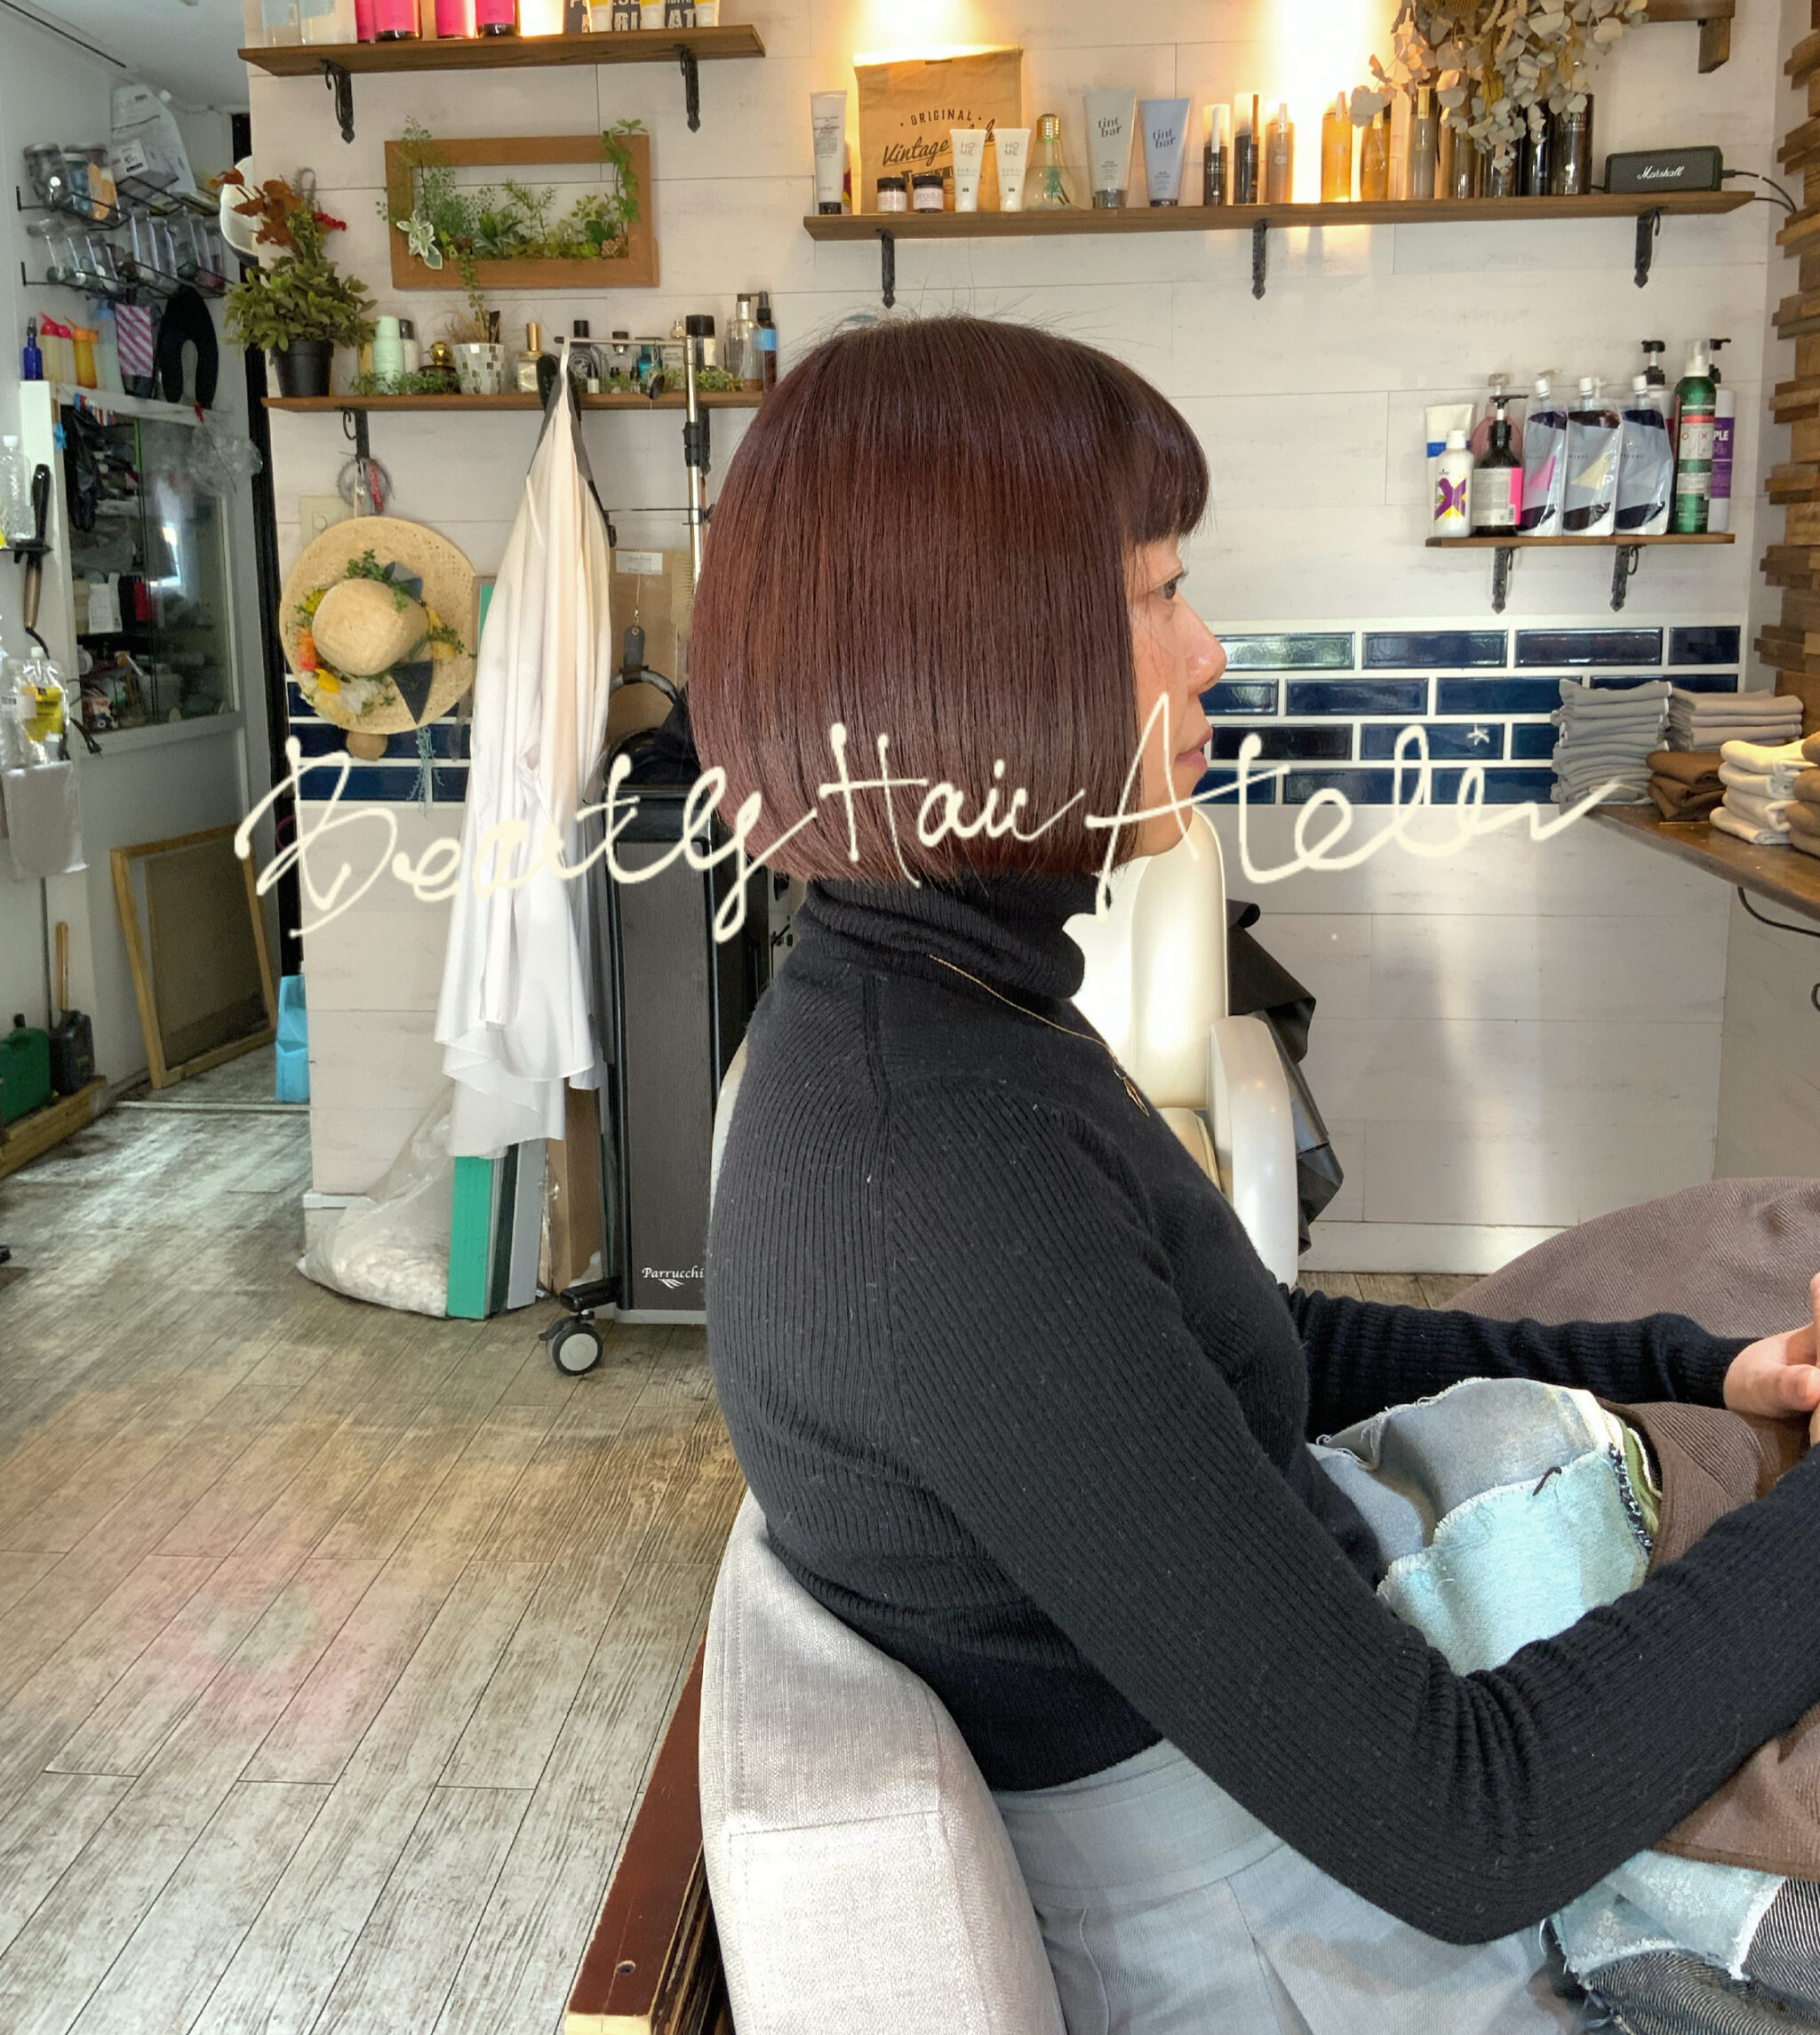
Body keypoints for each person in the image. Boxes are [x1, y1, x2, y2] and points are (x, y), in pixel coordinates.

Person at [690, 316, 1820, 2033]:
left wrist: (1695, 1366)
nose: (1209, 650)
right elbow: (1466, 1830)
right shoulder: (938, 1174)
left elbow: (1253, 1343)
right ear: (986, 653)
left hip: (1324, 1782)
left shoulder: (946, 1006)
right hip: (1304, 1932)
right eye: (1160, 593)